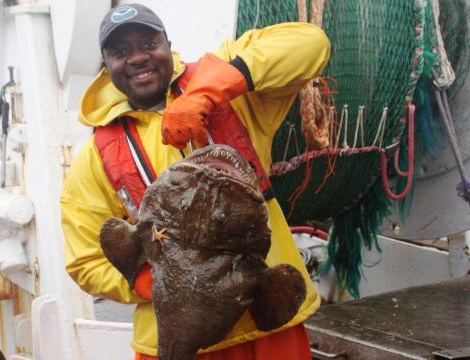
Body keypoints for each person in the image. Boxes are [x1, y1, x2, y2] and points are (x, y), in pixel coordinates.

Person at [61, 3, 330, 359]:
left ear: (168, 45)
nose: (138, 57)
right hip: (176, 336)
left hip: (265, 325)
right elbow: (85, 261)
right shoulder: (95, 157)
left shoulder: (231, 90)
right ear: (105, 65)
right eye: (121, 51)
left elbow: (311, 43)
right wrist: (155, 283)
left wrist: (209, 91)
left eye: (148, 43)